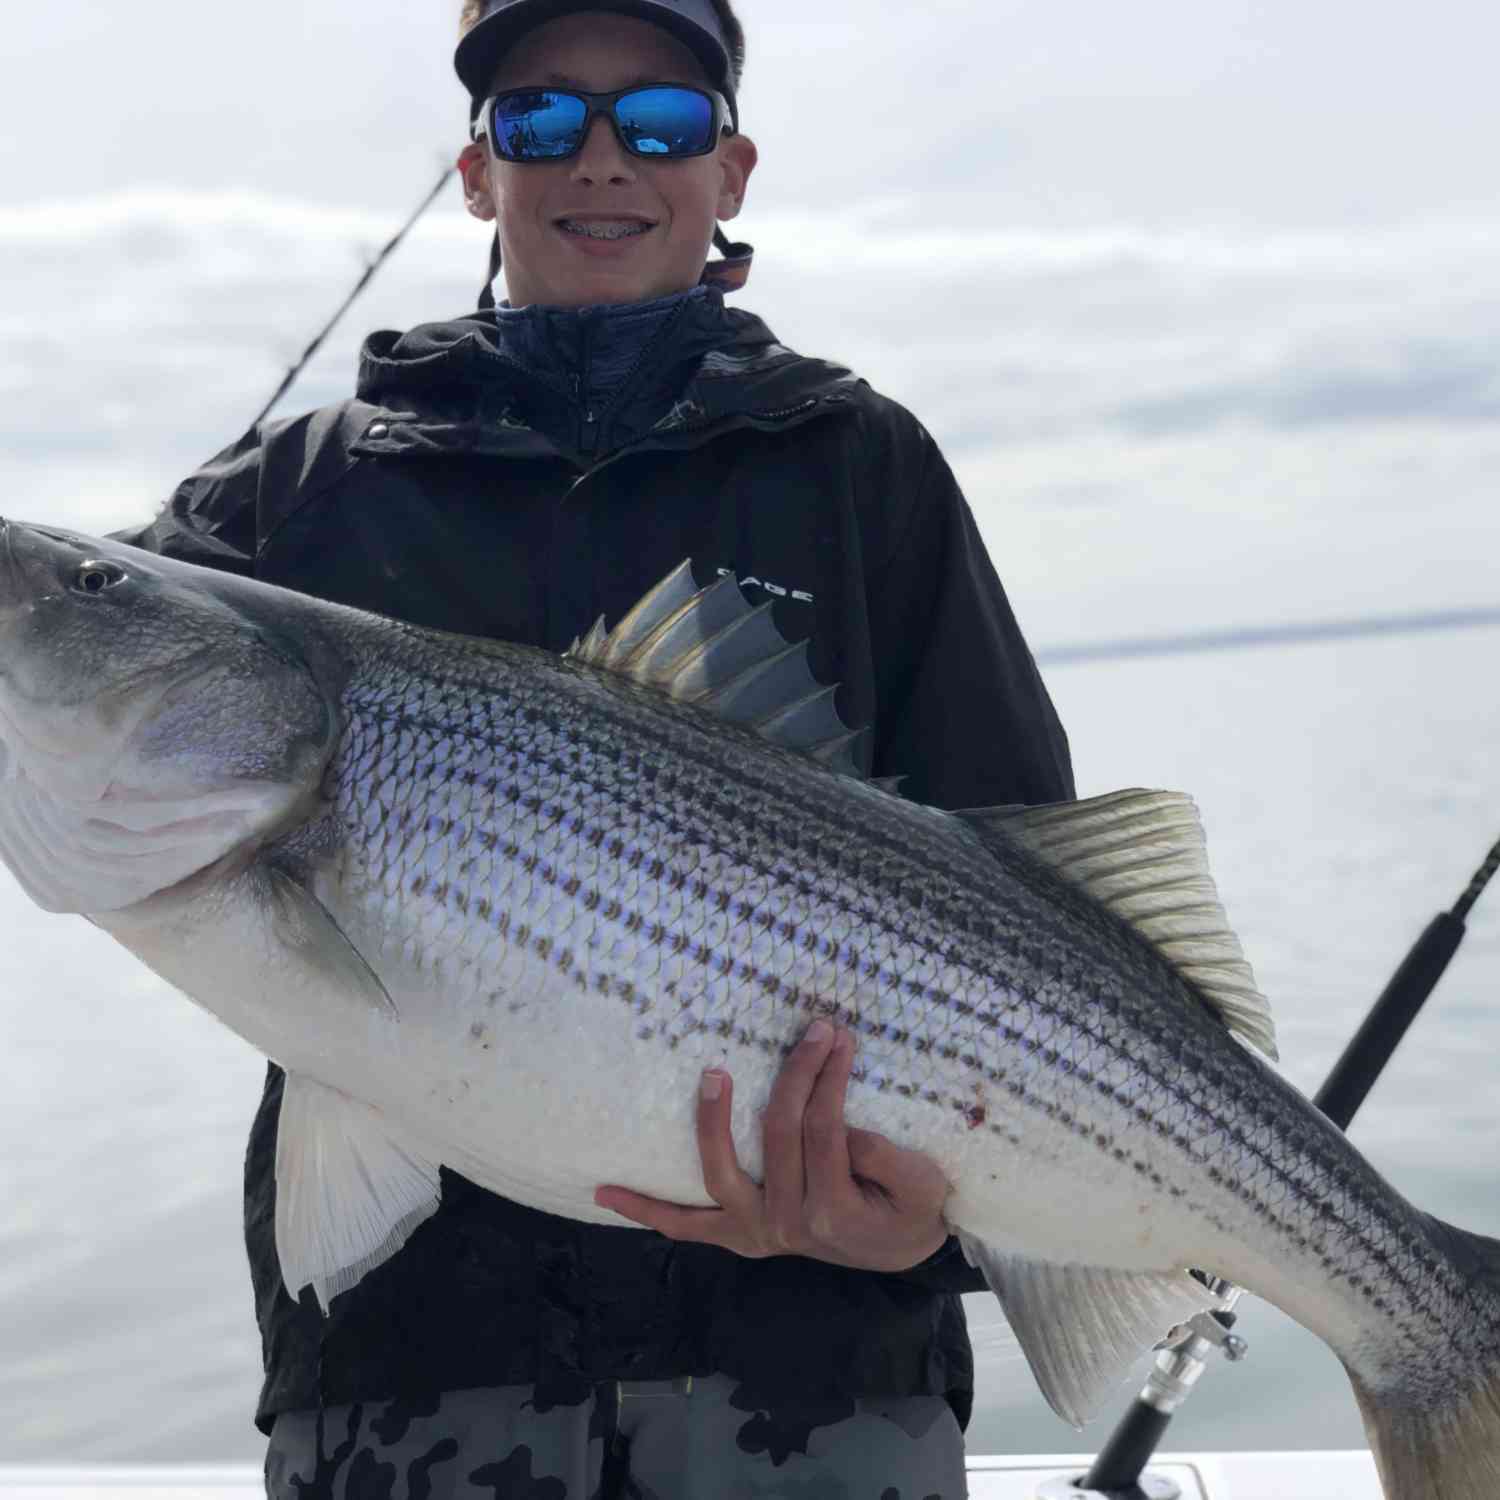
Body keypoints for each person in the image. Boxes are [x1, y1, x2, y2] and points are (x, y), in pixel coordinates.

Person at [116, 1, 1075, 1493]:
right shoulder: (283, 505)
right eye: (544, 121)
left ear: (732, 169)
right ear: (478, 172)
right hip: (411, 1372)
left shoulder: (856, 461)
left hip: (815, 1379)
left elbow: (1034, 884)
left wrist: (931, 1224)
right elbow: (73, 679)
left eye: (663, 121)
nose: (603, 160)